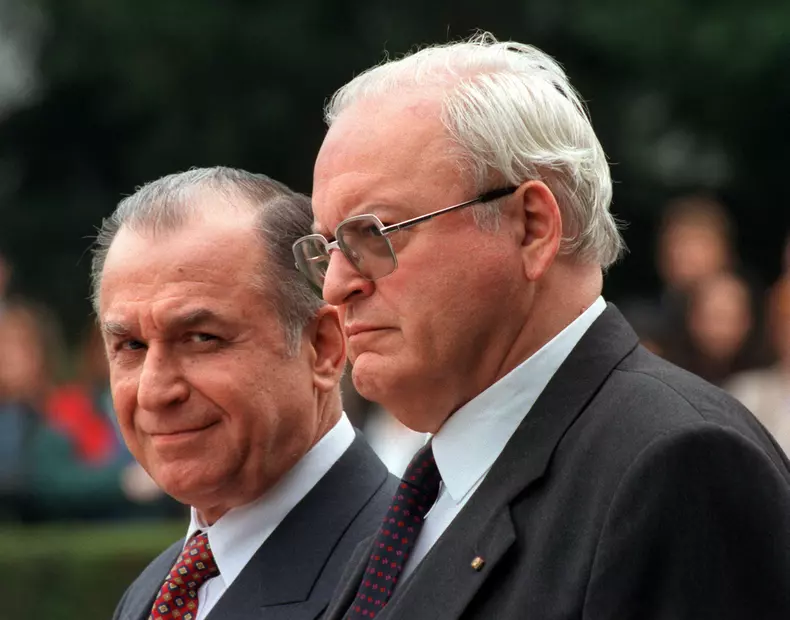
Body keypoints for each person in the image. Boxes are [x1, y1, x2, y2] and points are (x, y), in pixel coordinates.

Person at [294, 33, 790, 619]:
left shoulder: (679, 466)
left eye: (374, 234)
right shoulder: (432, 488)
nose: (335, 287)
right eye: (327, 248)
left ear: (530, 227)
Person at [93, 167, 396, 620]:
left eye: (201, 338)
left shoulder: (408, 572)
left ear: (323, 348)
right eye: (131, 346)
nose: (155, 391)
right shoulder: (153, 592)